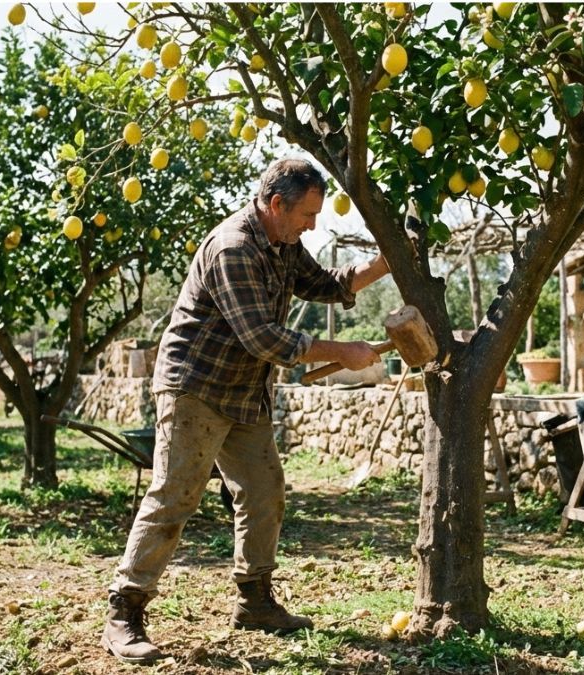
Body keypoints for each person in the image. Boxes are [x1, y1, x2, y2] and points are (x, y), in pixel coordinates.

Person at [101, 159, 390, 664]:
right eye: (306, 214)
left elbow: (324, 284)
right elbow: (262, 337)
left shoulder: (282, 243)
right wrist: (340, 351)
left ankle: (254, 600)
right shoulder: (234, 247)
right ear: (276, 204)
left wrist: (389, 261)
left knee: (263, 491)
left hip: (242, 391)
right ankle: (125, 610)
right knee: (175, 495)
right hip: (196, 387)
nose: (313, 225)